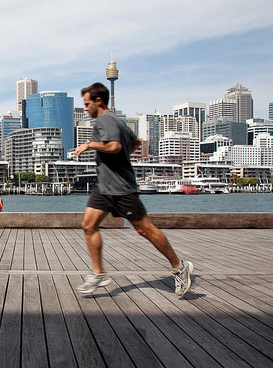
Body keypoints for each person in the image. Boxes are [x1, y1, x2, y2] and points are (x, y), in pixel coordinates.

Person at [75, 82, 193, 296]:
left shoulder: (104, 121)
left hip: (121, 188)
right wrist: (122, 158)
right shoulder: (117, 122)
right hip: (104, 187)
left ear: (98, 101)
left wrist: (89, 145)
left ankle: (179, 266)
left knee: (144, 229)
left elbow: (114, 146)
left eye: (87, 104)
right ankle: (99, 273)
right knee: (88, 225)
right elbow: (136, 142)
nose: (85, 108)